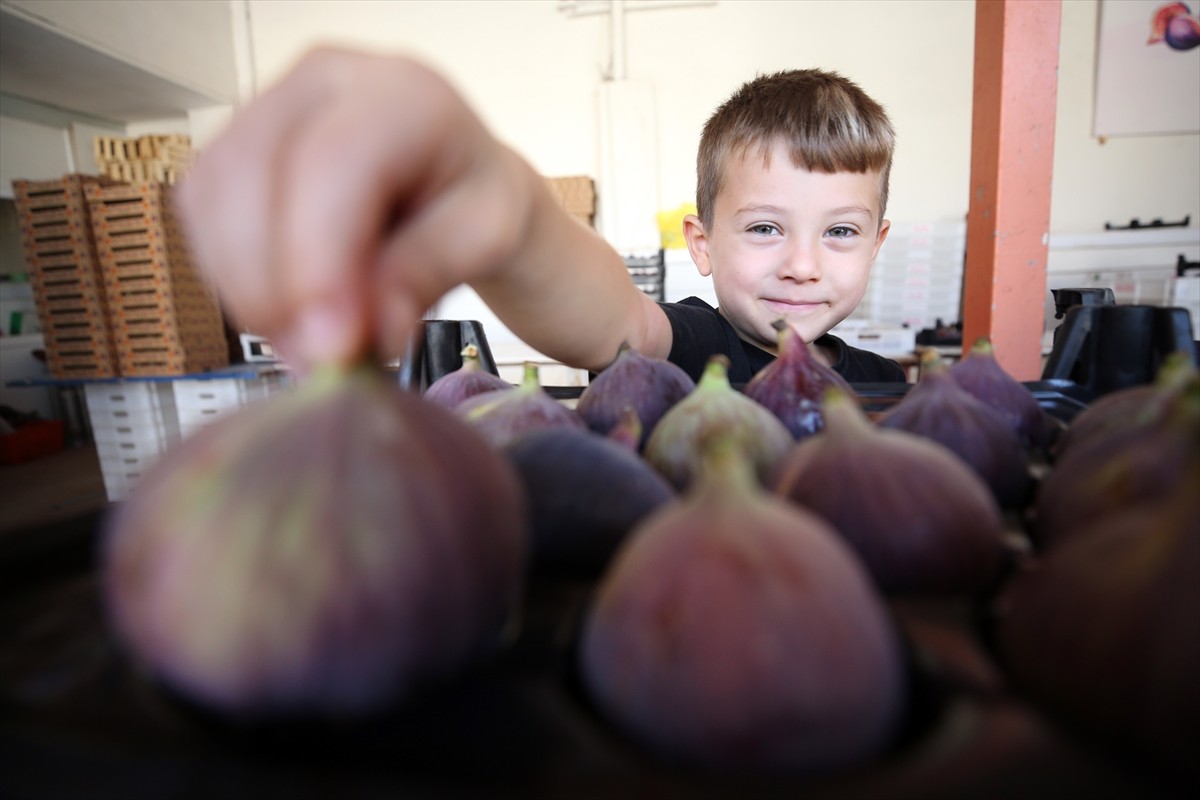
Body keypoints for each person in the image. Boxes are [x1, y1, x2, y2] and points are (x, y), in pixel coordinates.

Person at [176, 48, 906, 385]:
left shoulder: (890, 386)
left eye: (839, 231)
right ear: (701, 243)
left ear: (876, 244)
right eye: (764, 228)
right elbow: (614, 321)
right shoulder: (696, 346)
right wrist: (513, 212)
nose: (803, 264)